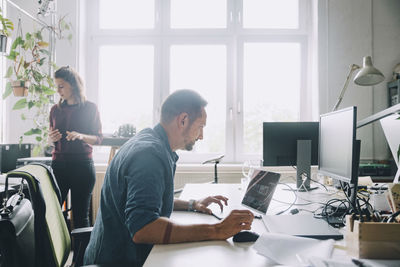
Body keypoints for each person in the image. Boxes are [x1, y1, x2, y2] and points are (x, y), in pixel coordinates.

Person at [84, 89, 254, 266]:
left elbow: (148, 200)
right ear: (183, 120)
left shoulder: (151, 142)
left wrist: (192, 204)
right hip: (117, 261)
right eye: (201, 126)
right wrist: (217, 230)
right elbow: (143, 228)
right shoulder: (149, 157)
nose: (202, 136)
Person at [48, 66, 102, 228]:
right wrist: (51, 138)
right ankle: (58, 253)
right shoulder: (55, 110)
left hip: (82, 167)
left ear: (73, 85)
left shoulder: (90, 108)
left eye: (61, 86)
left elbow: (98, 138)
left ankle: (82, 255)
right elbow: (51, 138)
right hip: (59, 166)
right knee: (54, 215)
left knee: (80, 217)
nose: (58, 90)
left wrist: (81, 136)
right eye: (56, 86)